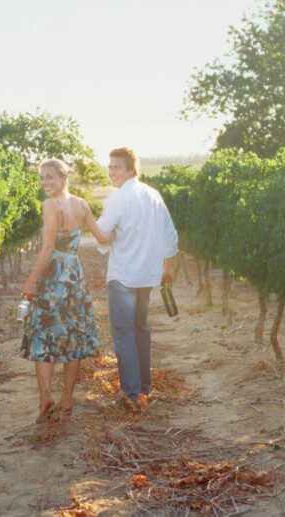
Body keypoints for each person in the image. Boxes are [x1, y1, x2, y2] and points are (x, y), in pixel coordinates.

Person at [21, 158, 114, 421]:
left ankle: (46, 397)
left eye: (49, 177)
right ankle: (67, 400)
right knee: (73, 335)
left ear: (63, 178)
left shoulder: (51, 205)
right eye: (41, 178)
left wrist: (31, 281)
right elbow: (104, 237)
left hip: (53, 277)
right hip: (74, 275)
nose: (45, 183)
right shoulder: (82, 204)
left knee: (44, 335)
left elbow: (48, 248)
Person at [96, 147, 178, 409]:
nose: (111, 172)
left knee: (124, 335)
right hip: (146, 276)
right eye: (109, 167)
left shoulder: (118, 198)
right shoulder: (153, 195)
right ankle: (143, 388)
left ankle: (132, 395)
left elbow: (102, 235)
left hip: (122, 277)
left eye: (117, 168)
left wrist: (85, 217)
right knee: (141, 330)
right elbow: (170, 235)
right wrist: (169, 266)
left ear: (132, 169)